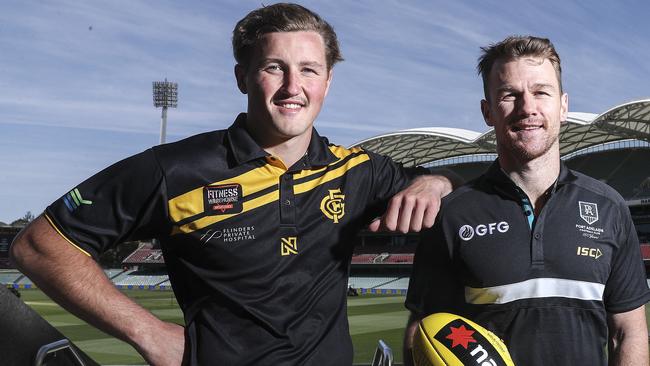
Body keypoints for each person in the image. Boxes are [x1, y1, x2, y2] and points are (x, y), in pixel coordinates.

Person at [10, 3, 454, 366]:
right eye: (274, 68)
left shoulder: (359, 170)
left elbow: (458, 190)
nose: (292, 87)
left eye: (309, 70)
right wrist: (147, 332)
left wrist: (435, 181)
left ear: (328, 81)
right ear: (242, 77)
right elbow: (39, 245)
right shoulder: (176, 169)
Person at [403, 35, 650, 366]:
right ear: (488, 111)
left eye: (541, 92)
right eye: (509, 95)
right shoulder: (453, 214)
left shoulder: (609, 206)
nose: (527, 108)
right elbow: (424, 332)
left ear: (562, 106)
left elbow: (629, 333)